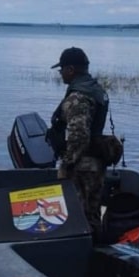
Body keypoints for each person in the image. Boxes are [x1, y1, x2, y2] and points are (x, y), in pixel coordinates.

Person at [45, 47, 109, 240]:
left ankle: (80, 254)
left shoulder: (78, 96)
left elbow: (79, 135)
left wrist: (67, 163)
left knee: (77, 214)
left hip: (82, 166)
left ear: (71, 69)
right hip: (95, 162)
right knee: (92, 212)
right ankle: (96, 252)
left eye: (62, 69)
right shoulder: (95, 89)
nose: (61, 73)